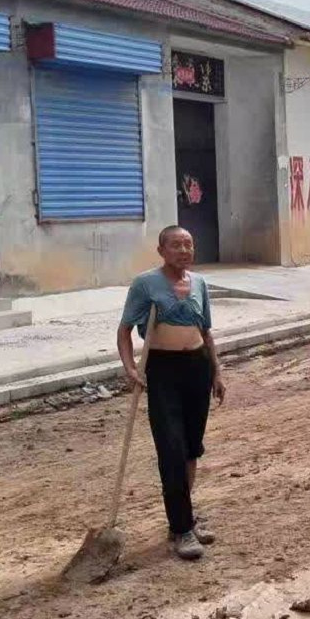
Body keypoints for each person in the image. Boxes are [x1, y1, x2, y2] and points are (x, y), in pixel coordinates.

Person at [118, 225, 227, 561]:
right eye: (176, 245)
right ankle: (181, 529)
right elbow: (124, 330)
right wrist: (130, 368)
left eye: (188, 244)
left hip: (197, 367)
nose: (184, 250)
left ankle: (184, 518)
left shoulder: (200, 283)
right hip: (163, 371)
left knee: (191, 448)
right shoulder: (145, 284)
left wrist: (217, 371)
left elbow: (205, 331)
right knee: (171, 449)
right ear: (161, 250)